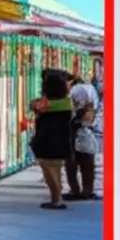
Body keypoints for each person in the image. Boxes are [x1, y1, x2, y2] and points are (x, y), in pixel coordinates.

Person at [30, 72, 74, 210]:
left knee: (49, 170)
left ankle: (56, 200)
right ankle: (57, 198)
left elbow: (34, 106)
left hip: (46, 140)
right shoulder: (66, 102)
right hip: (63, 140)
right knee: (56, 168)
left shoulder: (45, 104)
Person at [66, 75, 101, 200]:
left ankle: (75, 190)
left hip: (77, 129)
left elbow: (80, 108)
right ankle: (87, 190)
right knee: (87, 164)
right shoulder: (91, 89)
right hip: (88, 130)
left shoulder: (77, 89)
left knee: (72, 163)